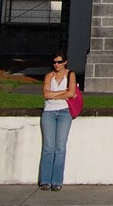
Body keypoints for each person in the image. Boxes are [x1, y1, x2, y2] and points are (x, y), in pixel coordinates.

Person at [38, 51, 77, 191]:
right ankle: (45, 180)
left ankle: (57, 181)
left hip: (64, 113)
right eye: (54, 62)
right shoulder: (49, 76)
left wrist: (53, 95)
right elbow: (46, 93)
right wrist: (61, 94)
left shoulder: (70, 74)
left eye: (59, 62)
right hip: (49, 112)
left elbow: (71, 93)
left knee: (60, 147)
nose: (56, 65)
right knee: (48, 147)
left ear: (65, 62)